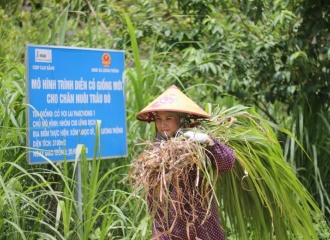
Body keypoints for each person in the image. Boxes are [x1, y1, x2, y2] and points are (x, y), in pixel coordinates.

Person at [136, 85, 236, 240]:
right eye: (159, 119)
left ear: (181, 120)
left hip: (199, 225)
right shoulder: (154, 152)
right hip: (166, 228)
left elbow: (227, 162)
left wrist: (208, 141)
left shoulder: (195, 144)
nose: (163, 124)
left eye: (169, 118)